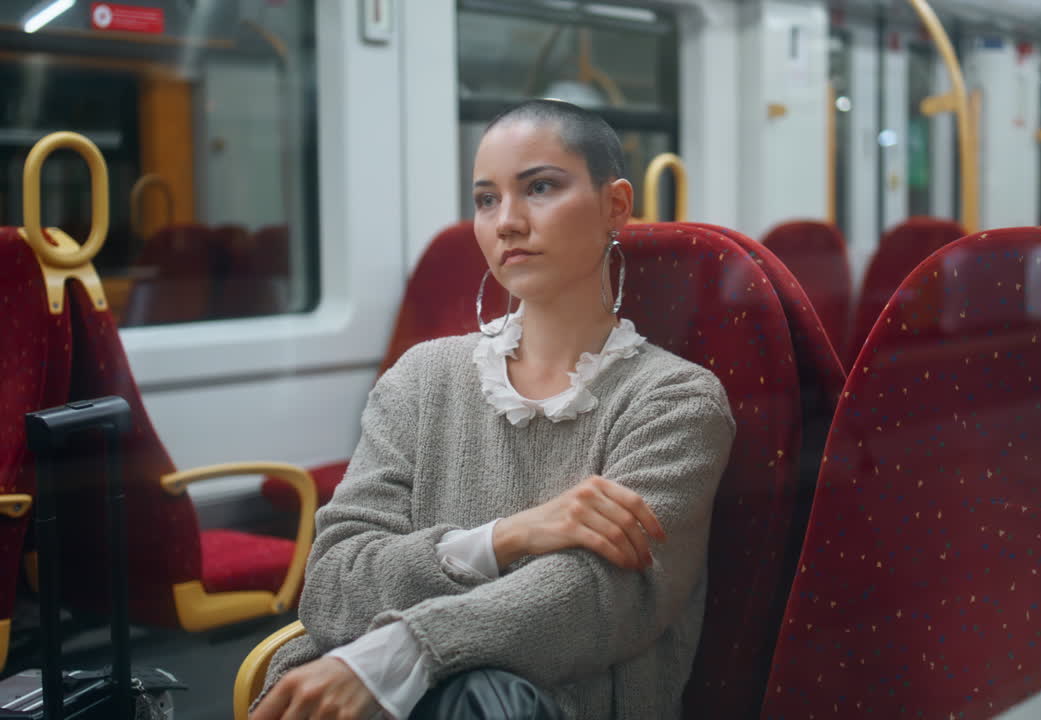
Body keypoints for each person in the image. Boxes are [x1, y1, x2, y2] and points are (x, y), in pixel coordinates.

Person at [250, 99, 736, 720]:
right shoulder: (421, 379)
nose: (506, 222)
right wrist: (506, 538)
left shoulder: (676, 402)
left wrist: (407, 649)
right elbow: (332, 586)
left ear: (615, 205)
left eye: (539, 188)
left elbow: (595, 599)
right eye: (486, 199)